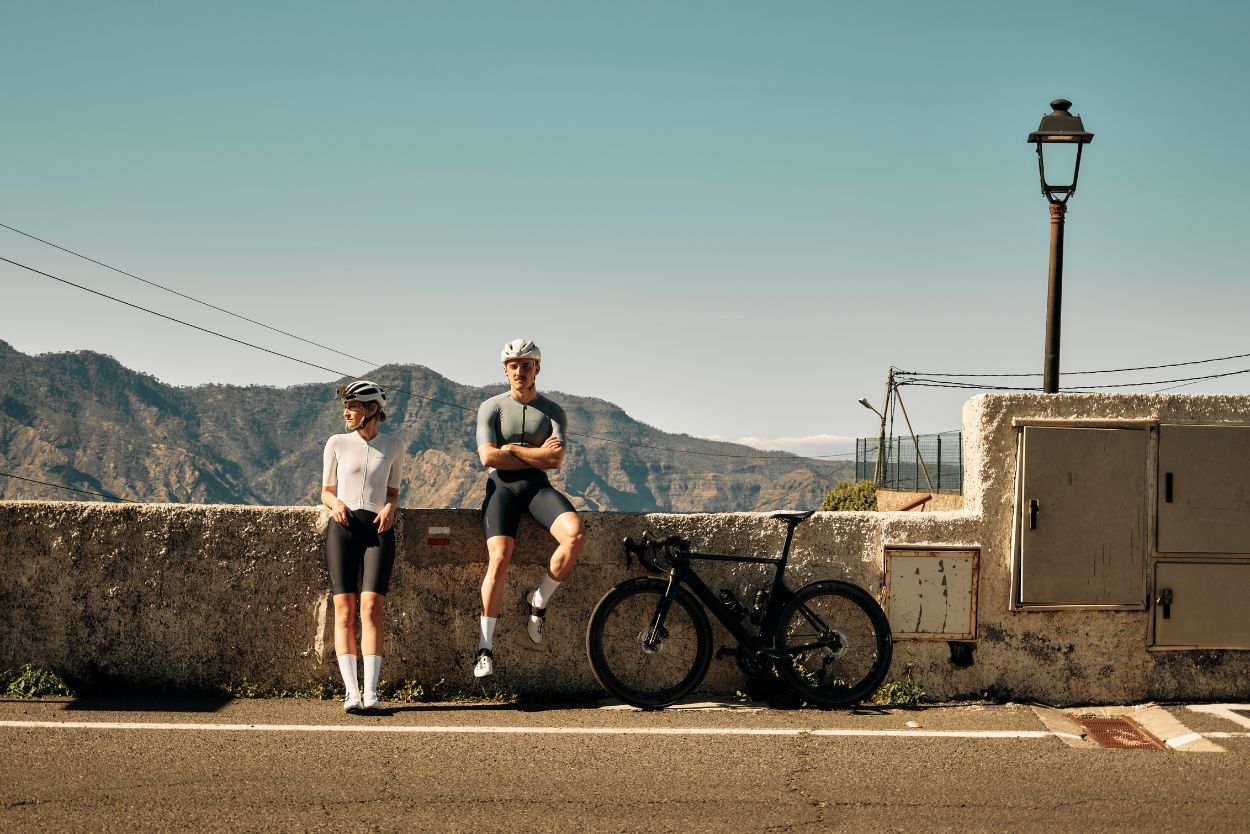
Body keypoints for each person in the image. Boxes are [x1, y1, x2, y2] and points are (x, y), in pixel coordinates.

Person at [473, 339, 586, 677]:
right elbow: (487, 457)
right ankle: (484, 648)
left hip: (537, 487)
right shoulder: (490, 407)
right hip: (501, 488)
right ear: (505, 371)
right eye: (513, 366)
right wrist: (531, 451)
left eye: (526, 365)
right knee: (499, 558)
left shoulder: (553, 411)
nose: (519, 371)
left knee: (576, 536)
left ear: (537, 367)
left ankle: (538, 601)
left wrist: (512, 448)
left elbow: (554, 460)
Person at [320, 380, 404, 712]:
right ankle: (351, 692)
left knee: (371, 610)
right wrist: (334, 504)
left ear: (371, 410)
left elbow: (393, 492)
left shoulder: (395, 445)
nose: (346, 412)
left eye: (353, 406)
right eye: (346, 406)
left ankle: (371, 692)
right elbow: (325, 490)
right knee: (345, 611)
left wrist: (390, 508)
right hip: (343, 527)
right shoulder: (337, 443)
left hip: (378, 529)